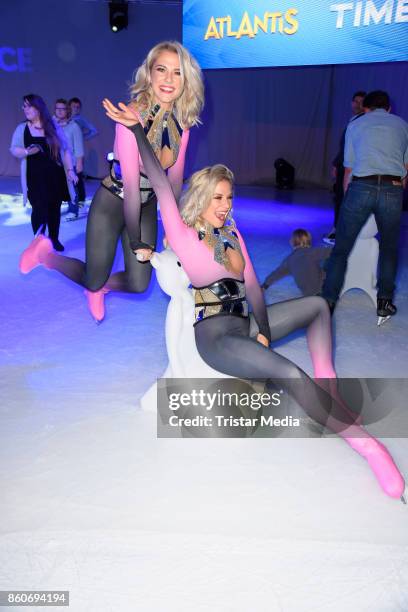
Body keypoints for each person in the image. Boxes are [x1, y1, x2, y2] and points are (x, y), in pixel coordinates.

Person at [103, 99, 405, 501]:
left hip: (243, 323)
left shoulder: (231, 232)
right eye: (218, 199)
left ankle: (328, 387)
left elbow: (255, 288)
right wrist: (138, 131)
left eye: (229, 198)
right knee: (292, 375)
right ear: (201, 199)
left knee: (317, 306)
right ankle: (367, 445)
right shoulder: (182, 231)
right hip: (216, 339)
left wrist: (262, 330)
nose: (226, 206)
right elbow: (159, 181)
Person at [19, 41, 204, 322]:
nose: (168, 79)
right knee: (92, 278)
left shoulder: (182, 122)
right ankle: (44, 254)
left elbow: (175, 181)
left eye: (177, 72)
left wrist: (175, 229)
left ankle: (99, 288)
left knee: (139, 283)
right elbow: (131, 187)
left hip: (146, 204)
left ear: (186, 78)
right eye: (162, 70)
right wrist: (136, 240)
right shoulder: (130, 116)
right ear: (149, 74)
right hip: (113, 201)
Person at [321, 90, 408, 324]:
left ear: (367, 108)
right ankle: (384, 303)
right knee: (389, 249)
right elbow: (405, 168)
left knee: (341, 249)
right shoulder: (402, 125)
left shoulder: (355, 124)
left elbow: (348, 169)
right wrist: (397, 190)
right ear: (388, 108)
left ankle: (327, 302)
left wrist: (347, 197)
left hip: (361, 186)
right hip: (392, 186)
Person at [10, 94, 78, 252]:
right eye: (24, 106)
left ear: (38, 108)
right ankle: (39, 241)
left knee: (54, 209)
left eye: (28, 106)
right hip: (34, 178)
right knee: (39, 209)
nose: (24, 109)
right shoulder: (22, 128)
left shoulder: (53, 126)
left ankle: (54, 238)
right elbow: (14, 149)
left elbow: (65, 150)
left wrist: (70, 171)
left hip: (55, 176)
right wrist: (27, 151)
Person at [324, 91, 366, 245]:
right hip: (344, 165)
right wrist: (336, 163)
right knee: (339, 198)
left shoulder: (362, 122)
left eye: (361, 102)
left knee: (344, 199)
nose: (357, 105)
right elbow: (344, 147)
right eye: (355, 101)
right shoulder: (354, 120)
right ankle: (337, 230)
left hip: (352, 167)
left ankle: (340, 232)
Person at [261, 229, 331, 296]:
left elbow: (276, 273)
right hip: (323, 288)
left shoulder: (289, 260)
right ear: (309, 241)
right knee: (330, 260)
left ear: (292, 242)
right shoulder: (313, 252)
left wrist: (265, 285)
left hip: (308, 293)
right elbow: (333, 251)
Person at [54, 98, 85, 218]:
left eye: (62, 109)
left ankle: (73, 210)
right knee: (58, 186)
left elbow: (79, 146)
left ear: (67, 110)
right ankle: (58, 207)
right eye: (57, 109)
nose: (60, 111)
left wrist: (79, 163)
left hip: (70, 162)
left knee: (72, 186)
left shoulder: (74, 127)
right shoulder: (53, 126)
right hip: (56, 162)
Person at [69, 96, 98, 202]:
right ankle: (70, 197)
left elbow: (94, 130)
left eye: (77, 107)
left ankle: (80, 199)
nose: (75, 109)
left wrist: (82, 137)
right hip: (65, 153)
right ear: (69, 107)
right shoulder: (64, 119)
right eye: (73, 107)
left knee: (77, 177)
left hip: (76, 154)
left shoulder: (80, 120)